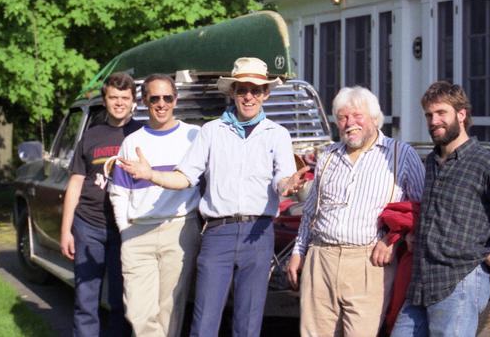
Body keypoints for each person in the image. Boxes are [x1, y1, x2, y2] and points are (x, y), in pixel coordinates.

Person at [117, 57, 309, 337]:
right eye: (242, 89)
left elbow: (282, 182)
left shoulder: (277, 135)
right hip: (218, 233)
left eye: (256, 90)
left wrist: (290, 184)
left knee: (248, 323)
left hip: (259, 232)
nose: (249, 96)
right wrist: (150, 175)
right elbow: (184, 177)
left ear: (266, 93)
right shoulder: (211, 132)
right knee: (204, 322)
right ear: (232, 92)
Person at [391, 81, 490, 337]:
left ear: (461, 114)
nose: (434, 120)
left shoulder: (485, 161)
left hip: (461, 280)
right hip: (423, 280)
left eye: (441, 113)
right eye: (429, 115)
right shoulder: (433, 162)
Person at [286, 86, 425, 336]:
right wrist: (298, 252)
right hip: (321, 260)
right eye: (342, 117)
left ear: (374, 118)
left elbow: (420, 210)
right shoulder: (328, 156)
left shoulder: (400, 155)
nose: (350, 123)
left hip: (368, 263)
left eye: (357, 115)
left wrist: (393, 240)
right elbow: (310, 212)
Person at [108, 74, 201, 337]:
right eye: (154, 98)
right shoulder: (132, 142)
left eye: (167, 98)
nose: (161, 104)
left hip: (179, 229)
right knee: (138, 312)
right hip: (138, 233)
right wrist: (125, 230)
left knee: (170, 309)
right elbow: (119, 193)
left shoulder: (195, 136)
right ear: (144, 101)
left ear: (175, 100)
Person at [60, 72, 140, 337]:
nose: (119, 103)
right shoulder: (91, 135)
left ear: (133, 101)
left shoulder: (142, 135)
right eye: (113, 97)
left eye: (124, 98)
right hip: (88, 225)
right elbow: (75, 183)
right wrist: (66, 230)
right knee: (86, 299)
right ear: (105, 100)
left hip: (125, 228)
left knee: (121, 300)